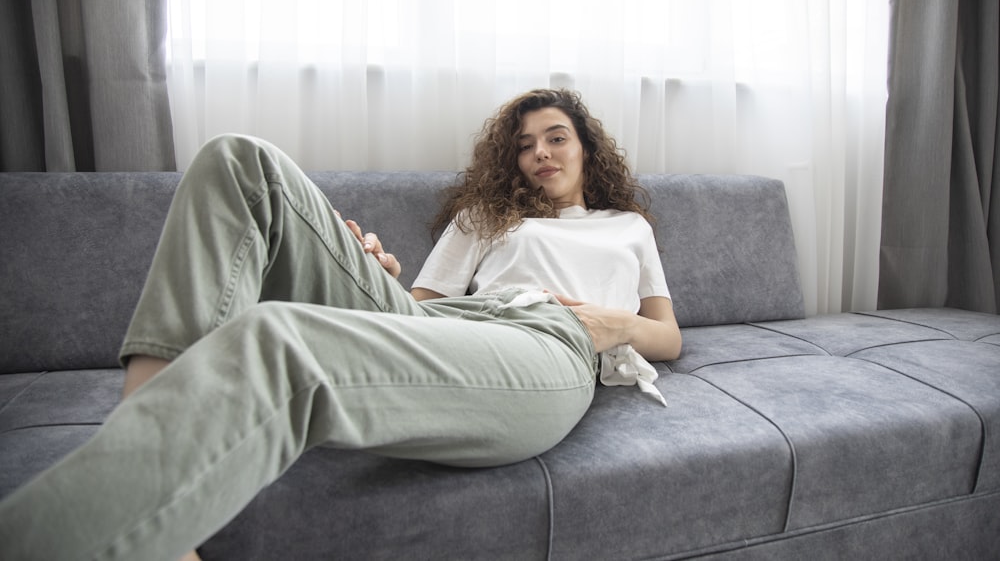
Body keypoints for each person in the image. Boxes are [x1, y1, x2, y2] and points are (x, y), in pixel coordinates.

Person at [0, 88, 681, 560]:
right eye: (526, 144)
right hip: (449, 324)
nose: (541, 152)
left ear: (588, 148)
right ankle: (153, 497)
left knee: (278, 339)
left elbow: (668, 335)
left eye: (556, 137)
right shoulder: (484, 218)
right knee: (238, 162)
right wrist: (376, 274)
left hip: (546, 342)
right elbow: (416, 307)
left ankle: (137, 503)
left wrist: (612, 321)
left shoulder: (628, 227)